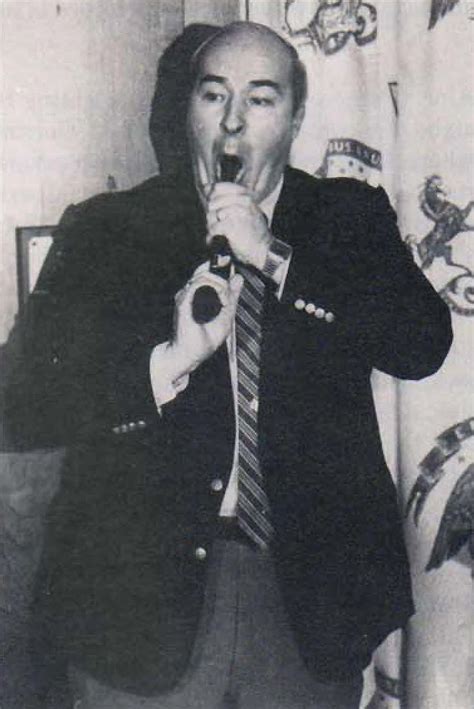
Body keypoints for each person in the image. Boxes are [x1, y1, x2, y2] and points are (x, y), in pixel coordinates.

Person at [6, 21, 452, 709]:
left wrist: (275, 257)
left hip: (307, 603)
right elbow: (20, 402)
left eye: (261, 98)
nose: (233, 121)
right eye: (214, 96)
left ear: (296, 118)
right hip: (137, 606)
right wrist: (168, 363)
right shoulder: (108, 228)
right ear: (188, 109)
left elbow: (422, 344)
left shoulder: (348, 217)